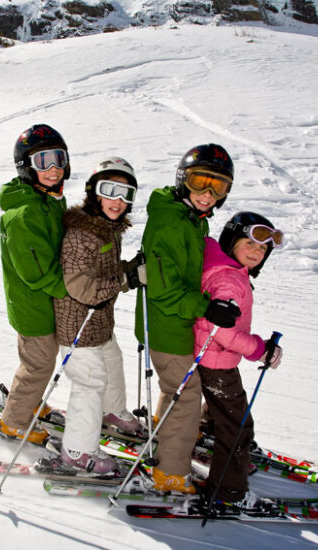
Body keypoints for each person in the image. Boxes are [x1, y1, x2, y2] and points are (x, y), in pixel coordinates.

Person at [135, 144, 241, 493]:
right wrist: (207, 307)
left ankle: (168, 436)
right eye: (200, 182)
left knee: (178, 390)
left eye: (218, 186)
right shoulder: (171, 223)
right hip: (166, 325)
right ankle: (170, 473)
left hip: (176, 322)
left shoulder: (190, 220)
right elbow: (165, 291)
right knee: (186, 394)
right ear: (183, 180)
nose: (208, 194)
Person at [54, 157, 145, 473]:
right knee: (89, 384)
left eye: (126, 193)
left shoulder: (109, 230)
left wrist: (131, 269)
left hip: (99, 323)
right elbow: (82, 288)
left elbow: (107, 272)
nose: (118, 201)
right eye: (110, 190)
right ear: (94, 192)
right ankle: (78, 452)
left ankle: (112, 411)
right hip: (77, 326)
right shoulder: (81, 234)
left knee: (113, 361)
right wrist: (126, 279)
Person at [194, 211, 284, 508]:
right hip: (216, 359)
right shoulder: (230, 279)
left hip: (209, 357)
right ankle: (228, 492)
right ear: (232, 240)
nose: (257, 252)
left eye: (262, 249)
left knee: (223, 405)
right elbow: (224, 332)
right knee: (238, 425)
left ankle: (209, 432)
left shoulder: (227, 267)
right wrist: (260, 349)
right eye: (250, 244)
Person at [0, 124, 70, 445]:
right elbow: (37, 273)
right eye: (43, 162)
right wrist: (74, 290)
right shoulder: (26, 213)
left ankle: (29, 400)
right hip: (32, 305)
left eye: (58, 159)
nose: (53, 169)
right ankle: (14, 420)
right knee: (39, 363)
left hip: (41, 303)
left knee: (41, 359)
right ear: (26, 168)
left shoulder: (47, 200)